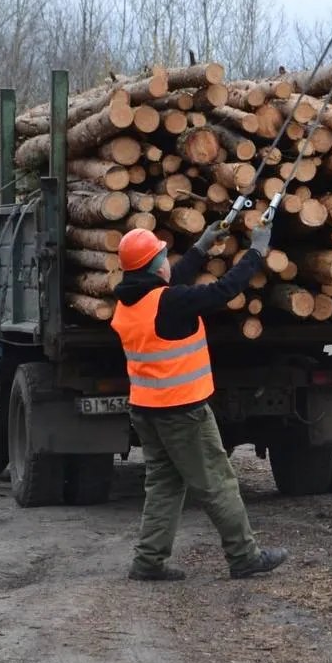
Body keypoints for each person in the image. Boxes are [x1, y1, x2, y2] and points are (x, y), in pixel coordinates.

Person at [110, 221, 288, 581]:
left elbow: (171, 282)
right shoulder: (171, 303)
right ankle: (244, 556)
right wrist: (256, 252)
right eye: (162, 256)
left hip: (146, 411)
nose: (166, 262)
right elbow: (224, 290)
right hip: (182, 411)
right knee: (217, 482)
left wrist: (201, 247)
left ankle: (148, 562)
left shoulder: (130, 302)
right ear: (153, 266)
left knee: (163, 483)